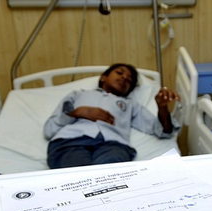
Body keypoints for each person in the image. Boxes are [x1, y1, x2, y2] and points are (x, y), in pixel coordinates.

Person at [44, 63, 181, 169]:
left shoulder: (130, 104)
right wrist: (77, 112)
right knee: (77, 180)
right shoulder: (78, 95)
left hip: (113, 145)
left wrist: (162, 107)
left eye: (128, 80)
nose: (124, 78)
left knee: (110, 181)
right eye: (120, 73)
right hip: (70, 142)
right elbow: (50, 129)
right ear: (103, 77)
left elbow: (163, 131)